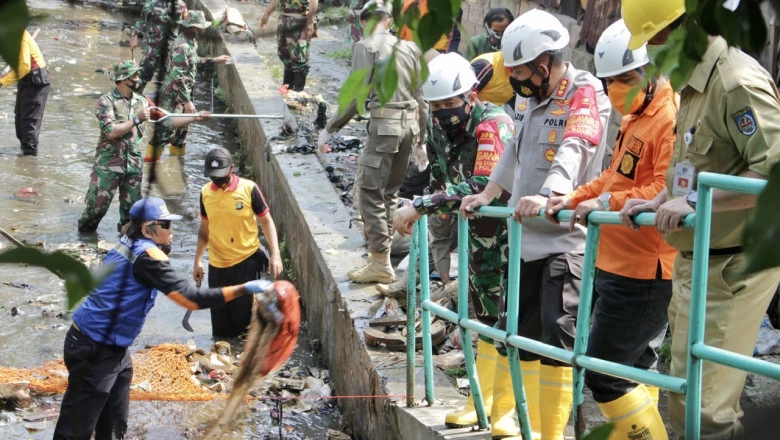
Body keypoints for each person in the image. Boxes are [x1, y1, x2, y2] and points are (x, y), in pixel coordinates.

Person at [620, 1, 780, 438]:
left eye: (653, 40)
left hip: (732, 265)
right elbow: (693, 167)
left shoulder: (736, 82)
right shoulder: (691, 86)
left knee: (707, 410)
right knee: (688, 397)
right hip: (696, 261)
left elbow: (771, 171)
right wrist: (660, 201)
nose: (650, 53)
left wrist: (694, 203)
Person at [461, 9, 611, 438]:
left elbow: (576, 145)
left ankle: (550, 435)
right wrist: (489, 193)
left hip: (567, 241)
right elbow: (516, 149)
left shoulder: (583, 91)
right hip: (527, 239)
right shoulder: (531, 98)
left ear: (544, 65)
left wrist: (549, 194)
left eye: (522, 72)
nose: (517, 81)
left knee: (557, 340)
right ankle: (514, 422)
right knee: (521, 334)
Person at [544, 19, 677, 439]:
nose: (618, 89)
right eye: (612, 82)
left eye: (628, 78)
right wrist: (576, 197)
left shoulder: (669, 117)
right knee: (636, 370)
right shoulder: (636, 116)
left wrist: (604, 203)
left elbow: (664, 186)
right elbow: (614, 179)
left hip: (646, 269)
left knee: (604, 375)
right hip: (614, 259)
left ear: (653, 71)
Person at [54, 197, 276, 439]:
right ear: (147, 229)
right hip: (94, 348)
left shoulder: (128, 242)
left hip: (112, 348)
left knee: (115, 421)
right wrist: (244, 288)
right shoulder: (148, 257)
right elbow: (192, 299)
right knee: (74, 430)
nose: (172, 231)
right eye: (166, 226)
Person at [391, 52, 514, 431]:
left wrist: (422, 206)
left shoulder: (493, 126)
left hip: (510, 240)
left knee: (511, 320)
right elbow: (443, 179)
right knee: (484, 318)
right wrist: (432, 210)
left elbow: (483, 185)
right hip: (474, 240)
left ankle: (508, 407)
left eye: (450, 104)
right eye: (437, 105)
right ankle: (482, 401)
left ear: (471, 97)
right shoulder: (438, 129)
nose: (444, 112)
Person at [317, 1, 428, 284]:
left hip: (385, 129)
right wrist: (421, 142)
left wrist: (330, 129)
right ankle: (383, 255)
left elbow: (356, 97)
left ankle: (379, 262)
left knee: (369, 193)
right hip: (410, 128)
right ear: (390, 21)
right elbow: (421, 98)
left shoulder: (365, 47)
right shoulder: (411, 48)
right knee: (390, 192)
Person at [77, 60, 207, 233]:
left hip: (133, 166)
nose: (138, 79)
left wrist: (195, 117)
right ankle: (85, 240)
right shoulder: (106, 102)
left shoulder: (144, 101)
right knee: (95, 211)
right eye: (134, 76)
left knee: (133, 215)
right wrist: (136, 119)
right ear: (124, 79)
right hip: (108, 166)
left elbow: (167, 121)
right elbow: (111, 132)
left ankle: (126, 245)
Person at [194, 147, 284, 338]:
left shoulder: (249, 189)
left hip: (246, 262)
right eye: (213, 177)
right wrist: (198, 260)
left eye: (221, 176)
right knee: (219, 325)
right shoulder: (205, 193)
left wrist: (275, 254)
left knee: (243, 323)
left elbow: (266, 221)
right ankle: (222, 357)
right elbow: (204, 229)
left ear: (232, 168)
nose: (218, 181)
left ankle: (242, 359)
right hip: (217, 265)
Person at [144, 11, 231, 162]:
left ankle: (176, 163)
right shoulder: (182, 46)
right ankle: (151, 163)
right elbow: (177, 76)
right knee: (164, 131)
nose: (204, 30)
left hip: (185, 92)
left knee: (182, 133)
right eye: (202, 27)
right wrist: (186, 101)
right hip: (173, 96)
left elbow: (192, 62)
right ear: (194, 28)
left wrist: (213, 60)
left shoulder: (191, 43)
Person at [0, 29, 50, 156]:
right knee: (19, 119)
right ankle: (24, 151)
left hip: (35, 80)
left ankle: (29, 159)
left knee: (29, 122)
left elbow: (24, 66)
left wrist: (3, 81)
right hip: (25, 78)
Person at [129, 0, 187, 92]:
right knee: (144, 73)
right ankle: (135, 97)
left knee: (171, 76)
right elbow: (142, 21)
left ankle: (166, 101)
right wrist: (135, 37)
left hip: (171, 48)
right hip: (154, 47)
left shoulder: (181, 5)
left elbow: (185, 24)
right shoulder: (152, 3)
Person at [260, 0, 319, 91]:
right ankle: (287, 88)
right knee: (285, 55)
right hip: (284, 20)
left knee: (299, 58)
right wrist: (267, 13)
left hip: (300, 20)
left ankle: (298, 91)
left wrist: (311, 21)